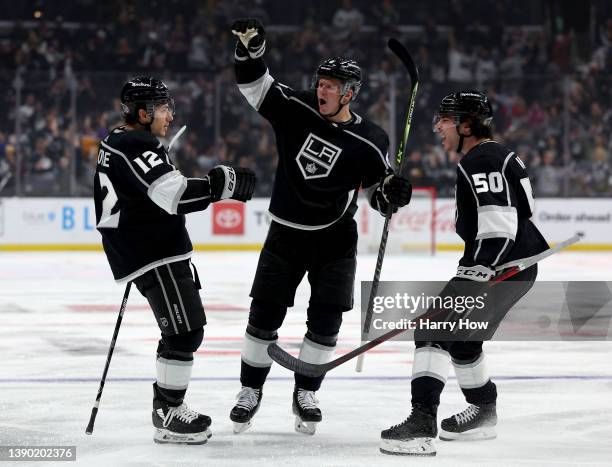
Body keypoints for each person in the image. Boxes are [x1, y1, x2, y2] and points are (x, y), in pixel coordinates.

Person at [228, 18, 412, 435]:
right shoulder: (296, 108)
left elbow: (378, 193)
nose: (323, 90)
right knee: (263, 315)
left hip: (335, 239)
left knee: (326, 322)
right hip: (285, 232)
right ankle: (249, 390)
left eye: (332, 86)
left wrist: (392, 194)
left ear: (350, 93)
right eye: (321, 83)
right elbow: (254, 85)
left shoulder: (371, 139)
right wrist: (250, 49)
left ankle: (306, 391)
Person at [380, 90, 549, 456]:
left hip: (499, 265)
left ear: (467, 124)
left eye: (445, 119)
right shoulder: (491, 154)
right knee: (464, 340)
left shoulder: (482, 157)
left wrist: (479, 272)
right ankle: (483, 411)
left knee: (433, 328)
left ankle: (421, 424)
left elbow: (500, 226)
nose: (438, 127)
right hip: (514, 266)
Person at [93, 77, 256, 444]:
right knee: (185, 331)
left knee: (181, 330)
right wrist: (219, 187)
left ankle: (166, 408)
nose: (171, 114)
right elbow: (172, 195)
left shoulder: (117, 140)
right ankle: (168, 411)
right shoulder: (136, 143)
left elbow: (150, 192)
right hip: (154, 252)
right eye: (164, 107)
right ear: (144, 112)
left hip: (148, 249)